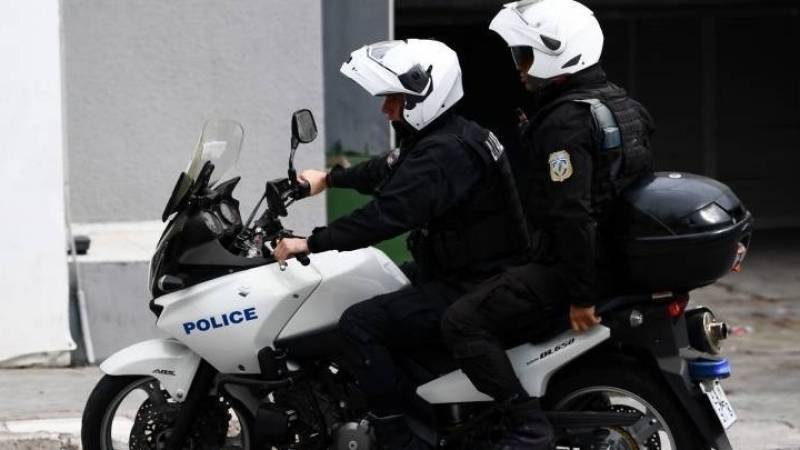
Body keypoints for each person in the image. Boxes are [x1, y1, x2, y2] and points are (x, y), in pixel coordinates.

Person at [273, 39, 529, 450]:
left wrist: (311, 242)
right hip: (464, 271)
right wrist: (328, 179)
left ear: (422, 97)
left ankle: (396, 435)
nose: (385, 109)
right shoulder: (448, 135)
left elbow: (386, 215)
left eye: (393, 99)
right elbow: (388, 168)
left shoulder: (444, 153)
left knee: (359, 324)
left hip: (473, 283)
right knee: (374, 286)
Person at [440, 0, 656, 448]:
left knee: (461, 321)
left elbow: (571, 214)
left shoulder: (564, 122)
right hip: (615, 258)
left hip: (574, 266)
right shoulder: (623, 103)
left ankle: (524, 422)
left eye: (525, 55)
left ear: (559, 54)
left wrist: (582, 295)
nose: (519, 68)